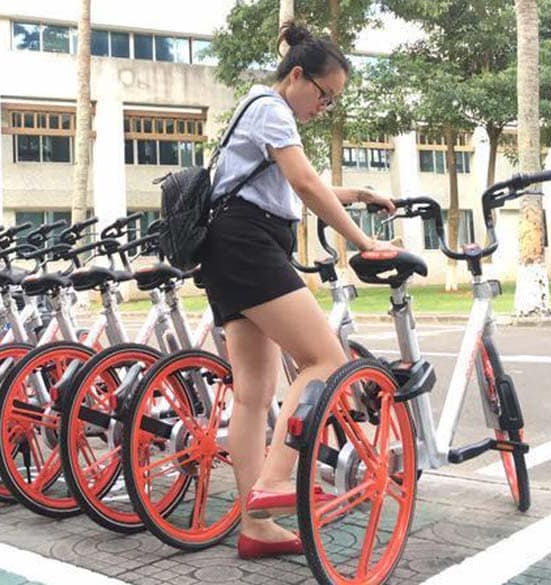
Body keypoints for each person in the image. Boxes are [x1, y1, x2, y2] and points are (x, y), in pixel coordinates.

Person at [198, 20, 397, 560]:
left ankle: (256, 526)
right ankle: (275, 481)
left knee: (253, 393)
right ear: (298, 76)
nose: (324, 108)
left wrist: (359, 193)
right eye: (324, 95)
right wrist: (363, 242)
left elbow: (297, 181)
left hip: (228, 247)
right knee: (325, 359)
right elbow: (304, 185)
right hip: (249, 244)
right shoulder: (271, 107)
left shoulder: (260, 108)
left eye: (332, 102)